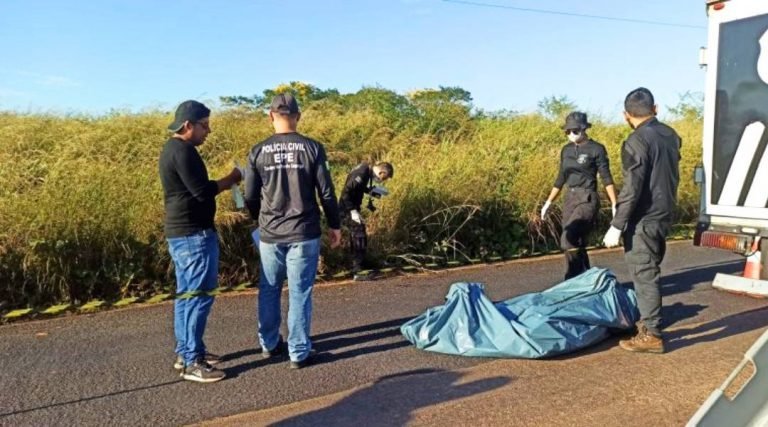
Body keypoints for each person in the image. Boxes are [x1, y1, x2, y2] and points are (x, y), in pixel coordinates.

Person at [244, 93, 342, 369]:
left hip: (270, 233)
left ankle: (269, 343)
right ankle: (298, 351)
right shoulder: (312, 148)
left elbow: (250, 195)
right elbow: (326, 192)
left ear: (270, 116)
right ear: (298, 116)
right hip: (304, 231)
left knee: (269, 288)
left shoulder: (258, 151)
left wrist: (259, 221)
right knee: (299, 291)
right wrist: (335, 225)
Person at [159, 100, 242, 383]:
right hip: (193, 234)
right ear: (188, 125)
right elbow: (201, 191)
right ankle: (193, 362)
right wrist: (230, 180)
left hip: (182, 233)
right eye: (204, 125)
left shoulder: (173, 149)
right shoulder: (184, 152)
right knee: (199, 296)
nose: (209, 131)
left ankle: (187, 351)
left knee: (187, 294)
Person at [603, 88, 681, 354]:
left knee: (644, 273)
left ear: (626, 115)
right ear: (655, 109)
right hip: (663, 213)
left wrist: (617, 223)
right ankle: (650, 323)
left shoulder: (636, 141)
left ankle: (651, 333)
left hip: (644, 218)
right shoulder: (670, 135)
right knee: (651, 268)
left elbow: (632, 187)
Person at [541, 112, 617, 280]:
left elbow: (606, 177)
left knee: (568, 239)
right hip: (570, 197)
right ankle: (587, 277)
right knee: (577, 243)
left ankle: (572, 277)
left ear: (584, 129)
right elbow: (561, 177)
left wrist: (614, 203)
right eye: (567, 132)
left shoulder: (596, 149)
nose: (571, 135)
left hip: (587, 197)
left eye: (574, 131)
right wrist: (548, 202)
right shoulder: (566, 150)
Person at [338, 161, 394, 281]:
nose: (382, 180)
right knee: (359, 236)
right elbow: (346, 193)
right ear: (381, 172)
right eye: (383, 178)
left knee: (357, 235)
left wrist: (373, 191)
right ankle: (357, 271)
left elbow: (358, 187)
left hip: (351, 207)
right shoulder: (362, 173)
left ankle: (357, 266)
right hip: (347, 208)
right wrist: (352, 211)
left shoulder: (366, 170)